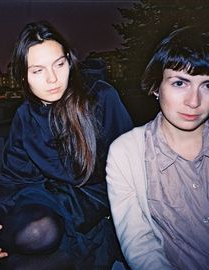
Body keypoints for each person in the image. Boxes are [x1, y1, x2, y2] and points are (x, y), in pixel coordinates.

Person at [0, 21, 133, 270]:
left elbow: (130, 164)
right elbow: (12, 176)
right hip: (41, 197)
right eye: (37, 71)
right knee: (38, 232)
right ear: (23, 77)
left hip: (90, 204)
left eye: (59, 64)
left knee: (22, 261)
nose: (52, 79)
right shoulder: (25, 115)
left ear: (69, 62)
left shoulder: (101, 97)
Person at [106, 26, 209, 270]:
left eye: (207, 85)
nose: (194, 101)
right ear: (155, 86)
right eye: (180, 83)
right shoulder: (126, 153)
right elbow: (139, 244)